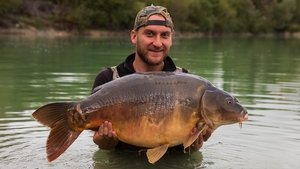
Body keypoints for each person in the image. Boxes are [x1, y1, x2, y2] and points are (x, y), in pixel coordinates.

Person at [91, 5, 212, 152]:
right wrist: (104, 142)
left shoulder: (187, 82)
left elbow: (192, 148)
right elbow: (99, 141)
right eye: (150, 34)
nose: (157, 43)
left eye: (165, 35)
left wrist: (195, 144)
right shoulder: (109, 78)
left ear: (171, 39)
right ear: (134, 36)